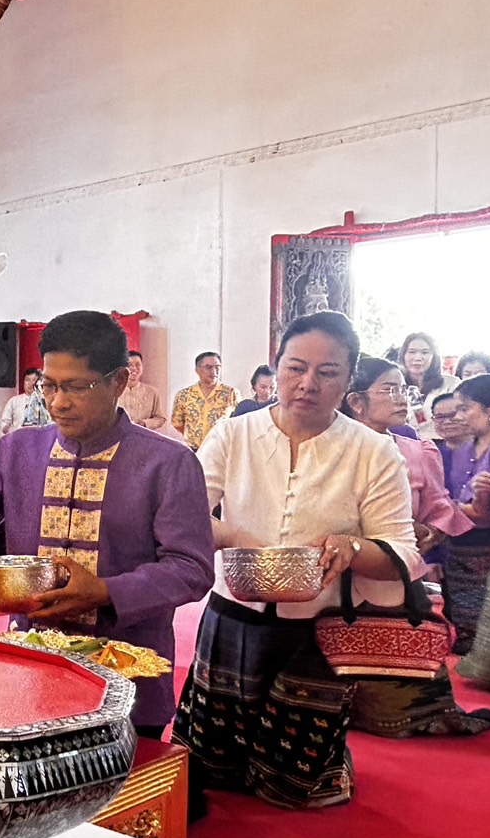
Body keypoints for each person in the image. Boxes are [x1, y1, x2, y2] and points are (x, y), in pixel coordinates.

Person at [0, 311, 215, 736]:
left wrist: (106, 592)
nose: (57, 402)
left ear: (119, 382)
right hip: (32, 670)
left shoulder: (169, 463)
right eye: (49, 385)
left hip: (128, 680)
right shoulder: (18, 451)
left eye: (76, 387)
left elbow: (191, 569)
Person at [172, 311, 419, 809]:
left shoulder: (373, 452)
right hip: (234, 613)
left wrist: (352, 550)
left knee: (295, 788)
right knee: (209, 773)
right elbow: (179, 517)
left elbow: (403, 553)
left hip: (319, 624)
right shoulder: (233, 434)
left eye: (327, 373)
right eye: (294, 368)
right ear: (275, 367)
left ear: (349, 381)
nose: (307, 384)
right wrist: (233, 534)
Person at [340, 356, 490, 736]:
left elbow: (440, 506)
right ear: (356, 401)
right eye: (389, 390)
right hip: (343, 569)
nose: (401, 398)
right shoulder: (335, 448)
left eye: (403, 389)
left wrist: (432, 532)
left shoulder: (415, 450)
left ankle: (399, 712)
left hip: (397, 568)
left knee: (406, 648)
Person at [441, 374, 490, 655]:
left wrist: (450, 507)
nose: (458, 416)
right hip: (459, 545)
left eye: (465, 408)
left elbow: (487, 515)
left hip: (488, 548)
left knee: (484, 626)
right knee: (462, 623)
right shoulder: (462, 449)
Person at [171, 351, 239, 451]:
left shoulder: (231, 393)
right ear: (197, 370)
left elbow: (238, 422)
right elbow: (178, 423)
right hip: (193, 450)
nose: (214, 371)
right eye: (208, 367)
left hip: (221, 449)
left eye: (217, 367)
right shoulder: (184, 395)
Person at [398, 331, 456, 439]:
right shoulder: (396, 387)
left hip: (443, 445)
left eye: (425, 353)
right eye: (412, 352)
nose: (418, 357)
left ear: (434, 357)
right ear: (403, 355)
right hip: (404, 446)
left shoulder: (451, 384)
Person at [116, 353, 167, 430]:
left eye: (137, 365)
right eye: (129, 365)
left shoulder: (152, 392)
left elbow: (160, 418)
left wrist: (145, 423)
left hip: (144, 436)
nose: (134, 368)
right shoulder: (114, 392)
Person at [1, 369, 53, 434]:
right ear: (23, 382)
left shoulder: (45, 402)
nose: (30, 383)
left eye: (34, 380)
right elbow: (4, 424)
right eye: (27, 380)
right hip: (19, 439)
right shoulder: (13, 401)